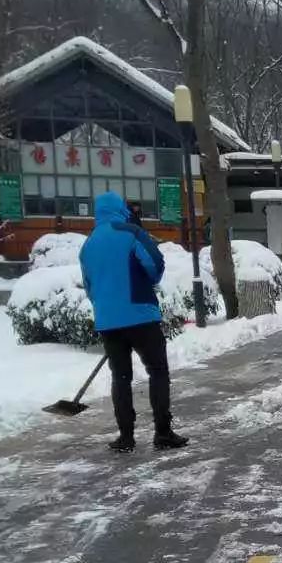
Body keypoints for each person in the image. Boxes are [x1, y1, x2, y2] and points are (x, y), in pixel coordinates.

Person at [79, 190, 188, 454]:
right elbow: (155, 264)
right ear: (121, 209)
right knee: (157, 371)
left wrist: (108, 308)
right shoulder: (131, 232)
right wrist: (147, 281)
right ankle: (163, 432)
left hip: (108, 321)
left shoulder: (88, 244)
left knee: (121, 377)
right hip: (140, 314)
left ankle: (125, 437)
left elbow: (89, 286)